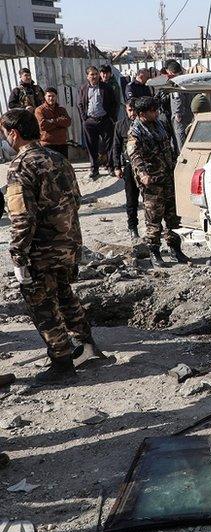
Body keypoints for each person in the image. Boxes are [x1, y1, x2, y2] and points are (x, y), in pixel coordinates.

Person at [1, 108, 103, 385]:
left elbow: (23, 217)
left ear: (14, 133)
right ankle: (88, 345)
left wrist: (18, 256)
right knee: (65, 295)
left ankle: (61, 362)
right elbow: (76, 200)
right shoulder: (58, 158)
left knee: (42, 306)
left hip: (40, 251)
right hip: (67, 245)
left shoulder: (20, 167)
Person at [126, 97, 189, 267]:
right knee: (153, 218)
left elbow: (170, 147)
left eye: (156, 110)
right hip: (151, 182)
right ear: (141, 114)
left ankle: (175, 250)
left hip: (167, 177)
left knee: (173, 216)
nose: (156, 113)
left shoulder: (159, 125)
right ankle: (154, 252)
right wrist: (143, 174)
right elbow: (135, 156)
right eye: (152, 111)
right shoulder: (135, 132)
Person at [77, 65, 119, 180]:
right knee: (91, 146)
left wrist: (112, 118)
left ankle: (110, 167)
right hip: (90, 121)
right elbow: (80, 104)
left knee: (109, 145)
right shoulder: (83, 88)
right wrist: (84, 118)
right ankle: (94, 169)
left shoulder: (106, 87)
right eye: (92, 74)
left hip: (105, 120)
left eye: (96, 74)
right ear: (87, 76)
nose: (94, 76)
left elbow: (114, 103)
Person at [112, 99, 140, 239]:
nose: (133, 113)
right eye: (130, 110)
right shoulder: (120, 125)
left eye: (135, 110)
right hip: (129, 166)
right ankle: (132, 226)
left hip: (145, 166)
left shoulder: (144, 124)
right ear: (126, 110)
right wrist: (117, 167)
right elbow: (116, 147)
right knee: (131, 199)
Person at [34, 88, 72, 158]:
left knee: (64, 168)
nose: (51, 98)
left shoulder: (61, 110)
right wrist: (59, 121)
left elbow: (68, 122)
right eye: (49, 96)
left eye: (53, 96)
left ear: (56, 97)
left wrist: (51, 121)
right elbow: (43, 126)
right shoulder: (39, 110)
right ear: (45, 97)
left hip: (62, 143)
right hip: (48, 144)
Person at [165, 60, 193, 151]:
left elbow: (177, 98)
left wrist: (177, 113)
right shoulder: (187, 79)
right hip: (189, 114)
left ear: (170, 72)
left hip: (180, 117)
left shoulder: (176, 82)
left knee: (181, 138)